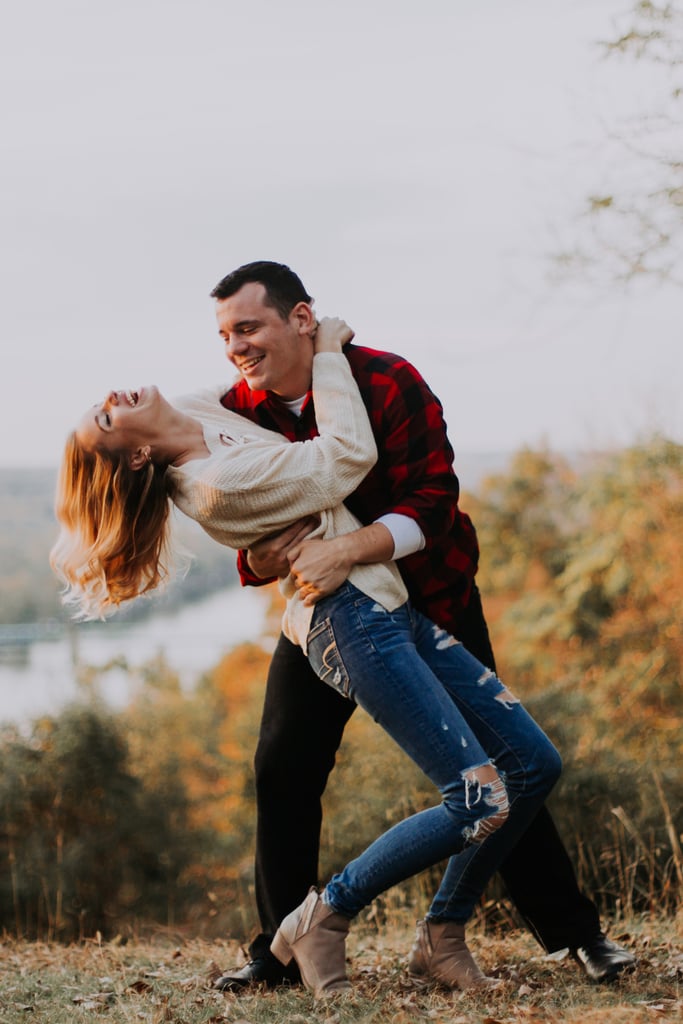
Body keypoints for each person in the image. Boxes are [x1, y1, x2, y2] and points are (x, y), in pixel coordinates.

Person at [51, 317, 562, 998]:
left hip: (390, 604)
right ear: (136, 457)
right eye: (105, 416)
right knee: (474, 799)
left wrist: (284, 341)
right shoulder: (215, 483)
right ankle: (324, 916)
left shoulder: (200, 413)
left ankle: (440, 935)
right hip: (348, 620)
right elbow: (346, 454)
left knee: (532, 764)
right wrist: (324, 347)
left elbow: (261, 386)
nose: (112, 397)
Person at [208, 261, 636, 989]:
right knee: (283, 769)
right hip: (327, 616)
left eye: (248, 327)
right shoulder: (237, 414)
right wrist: (263, 552)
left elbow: (432, 500)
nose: (236, 347)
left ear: (301, 319)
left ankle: (573, 934)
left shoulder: (385, 380)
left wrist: (345, 546)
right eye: (224, 335)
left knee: (505, 766)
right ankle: (278, 954)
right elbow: (244, 527)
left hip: (430, 602)